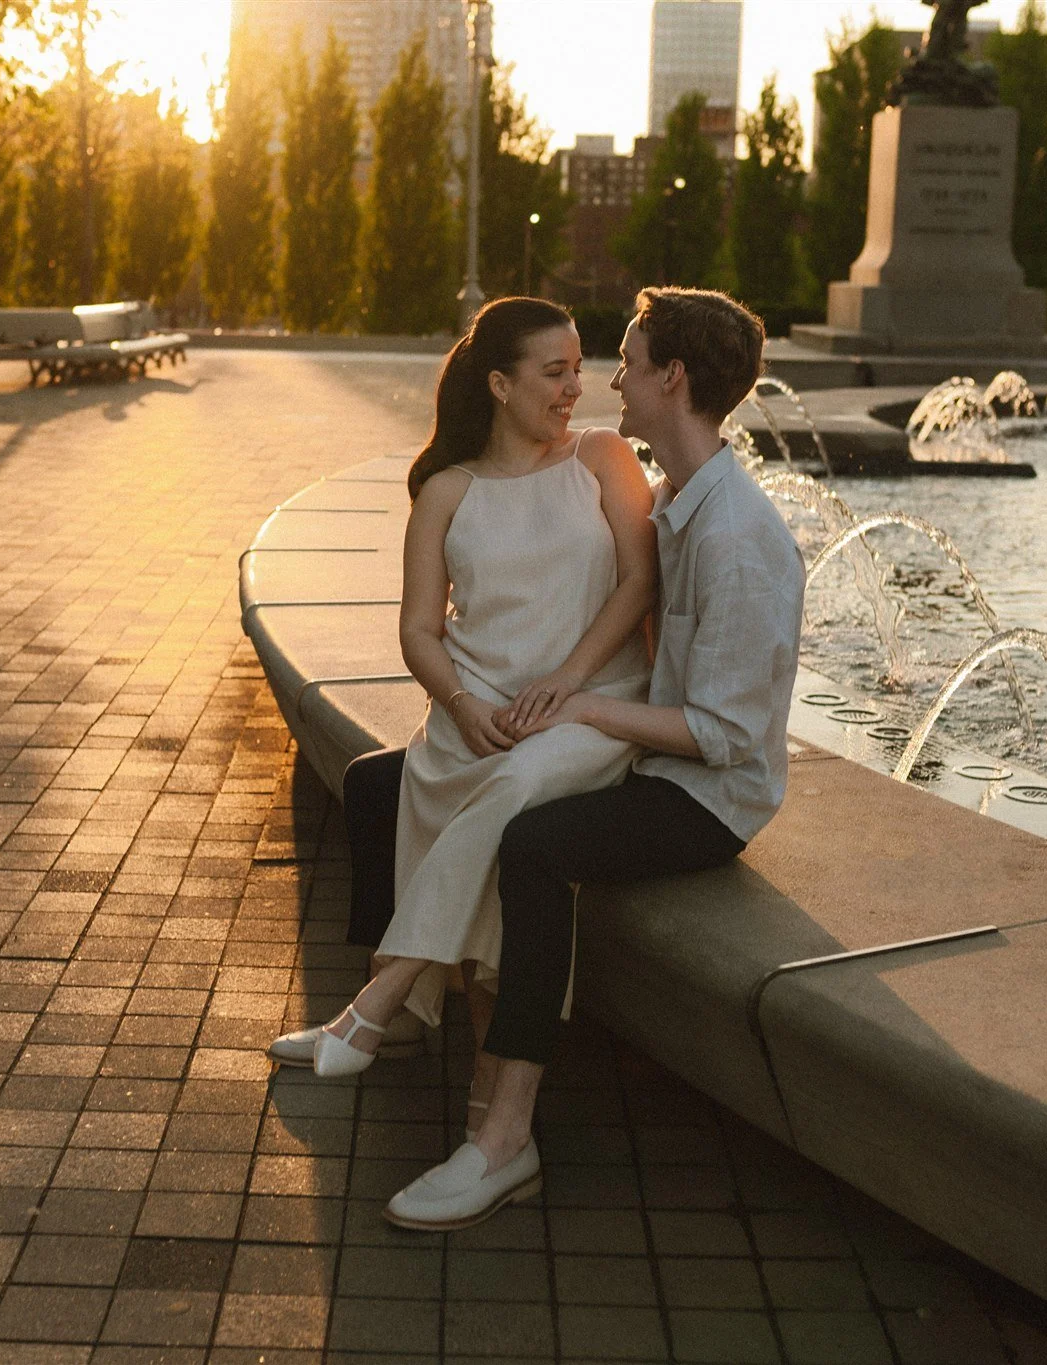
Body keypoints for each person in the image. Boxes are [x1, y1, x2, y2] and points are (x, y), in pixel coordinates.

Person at [383, 287, 805, 1230]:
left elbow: (726, 737)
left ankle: (502, 1134)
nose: (610, 378)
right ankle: (443, 1070)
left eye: (626, 358)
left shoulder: (737, 539)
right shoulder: (679, 500)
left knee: (535, 843)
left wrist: (586, 706)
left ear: (672, 379)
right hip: (649, 757)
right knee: (403, 775)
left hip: (706, 799)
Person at [267, 298, 658, 1138]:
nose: (574, 387)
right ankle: (487, 1128)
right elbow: (417, 631)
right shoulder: (446, 489)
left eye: (578, 367)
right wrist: (465, 704)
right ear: (499, 384)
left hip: (593, 711)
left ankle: (380, 996)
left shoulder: (603, 457)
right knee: (489, 803)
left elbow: (638, 582)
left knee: (520, 781)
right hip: (474, 723)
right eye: (554, 372)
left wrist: (568, 679)